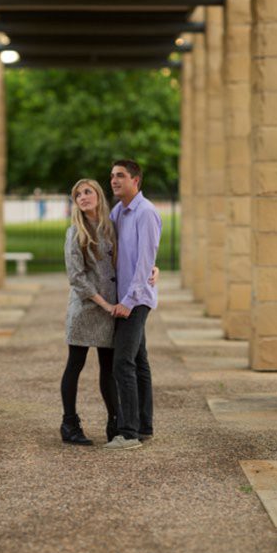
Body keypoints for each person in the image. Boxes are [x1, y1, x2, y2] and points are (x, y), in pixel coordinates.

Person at [60, 178, 158, 446]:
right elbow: (77, 278)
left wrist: (152, 267)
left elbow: (134, 251)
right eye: (77, 194)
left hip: (112, 309)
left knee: (108, 369)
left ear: (98, 195)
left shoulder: (111, 226)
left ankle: (115, 421)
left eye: (87, 191)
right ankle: (69, 424)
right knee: (75, 365)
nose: (83, 197)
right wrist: (105, 305)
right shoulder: (75, 233)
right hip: (86, 309)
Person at [104, 159, 162, 450]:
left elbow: (144, 261)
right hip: (127, 296)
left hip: (136, 300)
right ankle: (144, 425)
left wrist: (128, 301)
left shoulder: (146, 212)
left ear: (135, 180)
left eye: (120, 176)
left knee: (122, 363)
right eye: (112, 176)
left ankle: (128, 433)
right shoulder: (119, 212)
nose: (114, 181)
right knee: (139, 362)